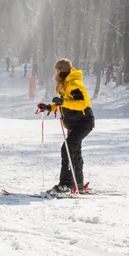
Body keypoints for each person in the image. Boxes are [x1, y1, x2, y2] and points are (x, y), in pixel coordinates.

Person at [37, 58, 94, 195]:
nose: (55, 74)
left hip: (83, 121)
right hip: (74, 123)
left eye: (56, 71)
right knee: (74, 151)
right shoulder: (65, 83)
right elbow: (63, 104)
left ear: (61, 71)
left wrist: (62, 102)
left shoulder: (74, 84)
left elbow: (81, 104)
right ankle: (77, 184)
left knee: (67, 149)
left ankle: (66, 185)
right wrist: (49, 107)